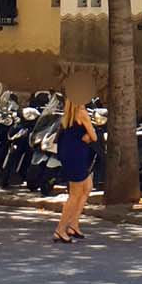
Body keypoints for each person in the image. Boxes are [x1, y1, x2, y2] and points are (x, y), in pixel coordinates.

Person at [53, 95, 98, 243]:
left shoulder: (67, 116)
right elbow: (94, 136)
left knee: (87, 187)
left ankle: (74, 224)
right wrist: (88, 135)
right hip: (78, 157)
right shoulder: (82, 113)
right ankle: (60, 229)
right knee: (75, 194)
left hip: (70, 155)